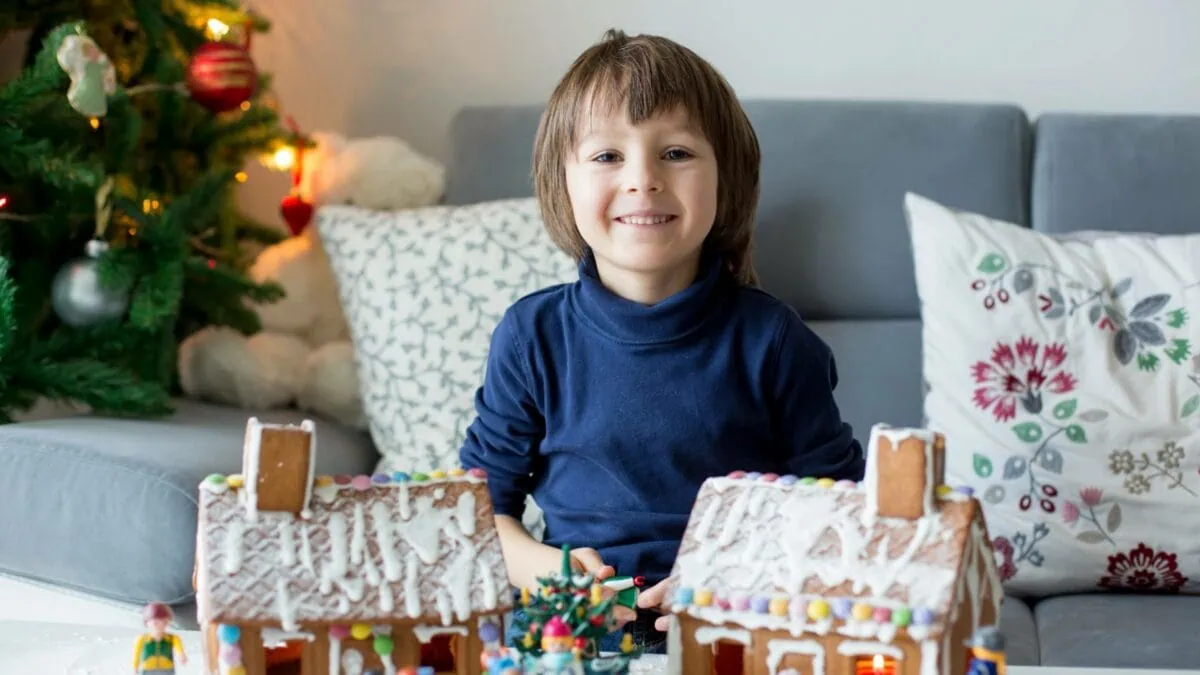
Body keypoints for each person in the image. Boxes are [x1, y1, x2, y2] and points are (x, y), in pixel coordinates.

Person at [458, 28, 864, 654]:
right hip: (568, 636)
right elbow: (479, 510)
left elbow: (840, 515)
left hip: (737, 633)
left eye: (675, 153)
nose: (642, 179)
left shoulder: (773, 340)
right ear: (560, 182)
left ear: (726, 177)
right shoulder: (530, 337)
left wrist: (738, 582)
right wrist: (550, 571)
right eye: (606, 156)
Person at [131, 602, 187, 674]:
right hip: (148, 669)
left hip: (167, 669)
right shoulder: (142, 639)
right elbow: (136, 654)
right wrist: (135, 667)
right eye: (155, 623)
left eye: (164, 622)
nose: (159, 625)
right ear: (147, 623)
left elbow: (179, 648)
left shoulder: (172, 638)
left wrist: (181, 655)